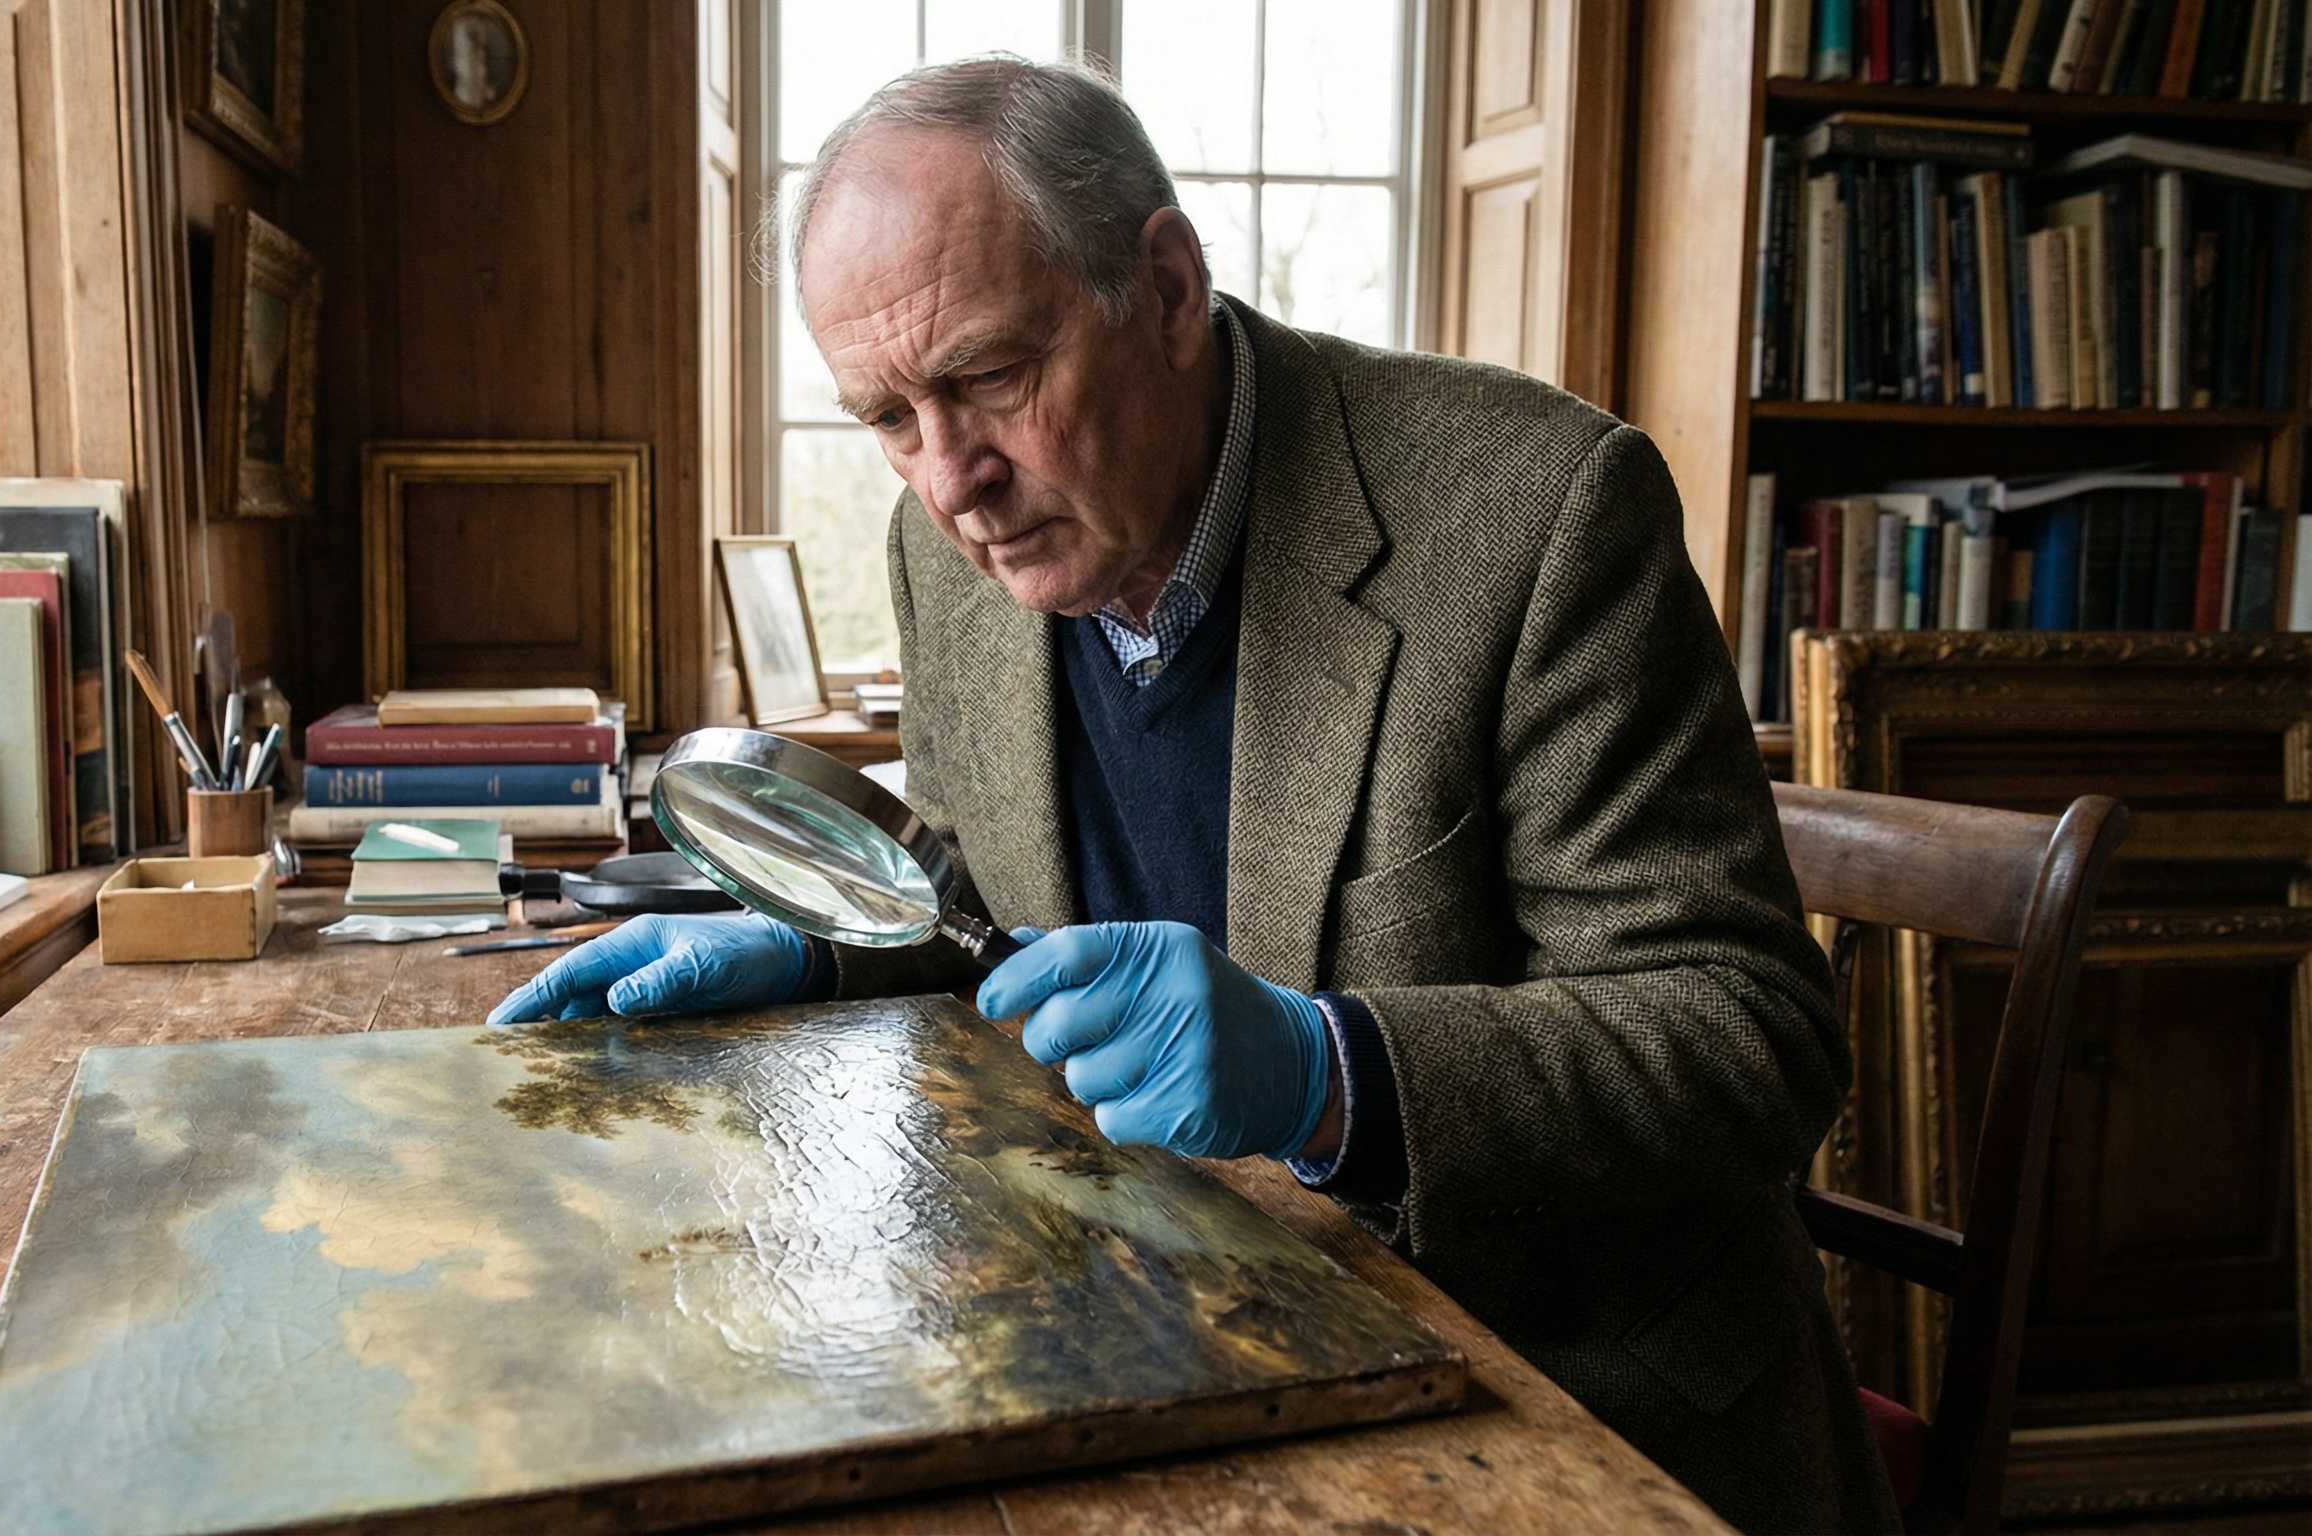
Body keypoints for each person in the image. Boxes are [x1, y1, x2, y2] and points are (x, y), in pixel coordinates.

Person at [492, 57, 1898, 1535]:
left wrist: (1328, 1068)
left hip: (1563, 1393)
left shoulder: (1538, 512)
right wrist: (836, 938)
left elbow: (1752, 1035)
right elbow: (1011, 904)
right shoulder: (955, 559)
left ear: (1165, 287)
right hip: (1175, 1329)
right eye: (889, 420)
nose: (950, 477)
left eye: (986, 376)